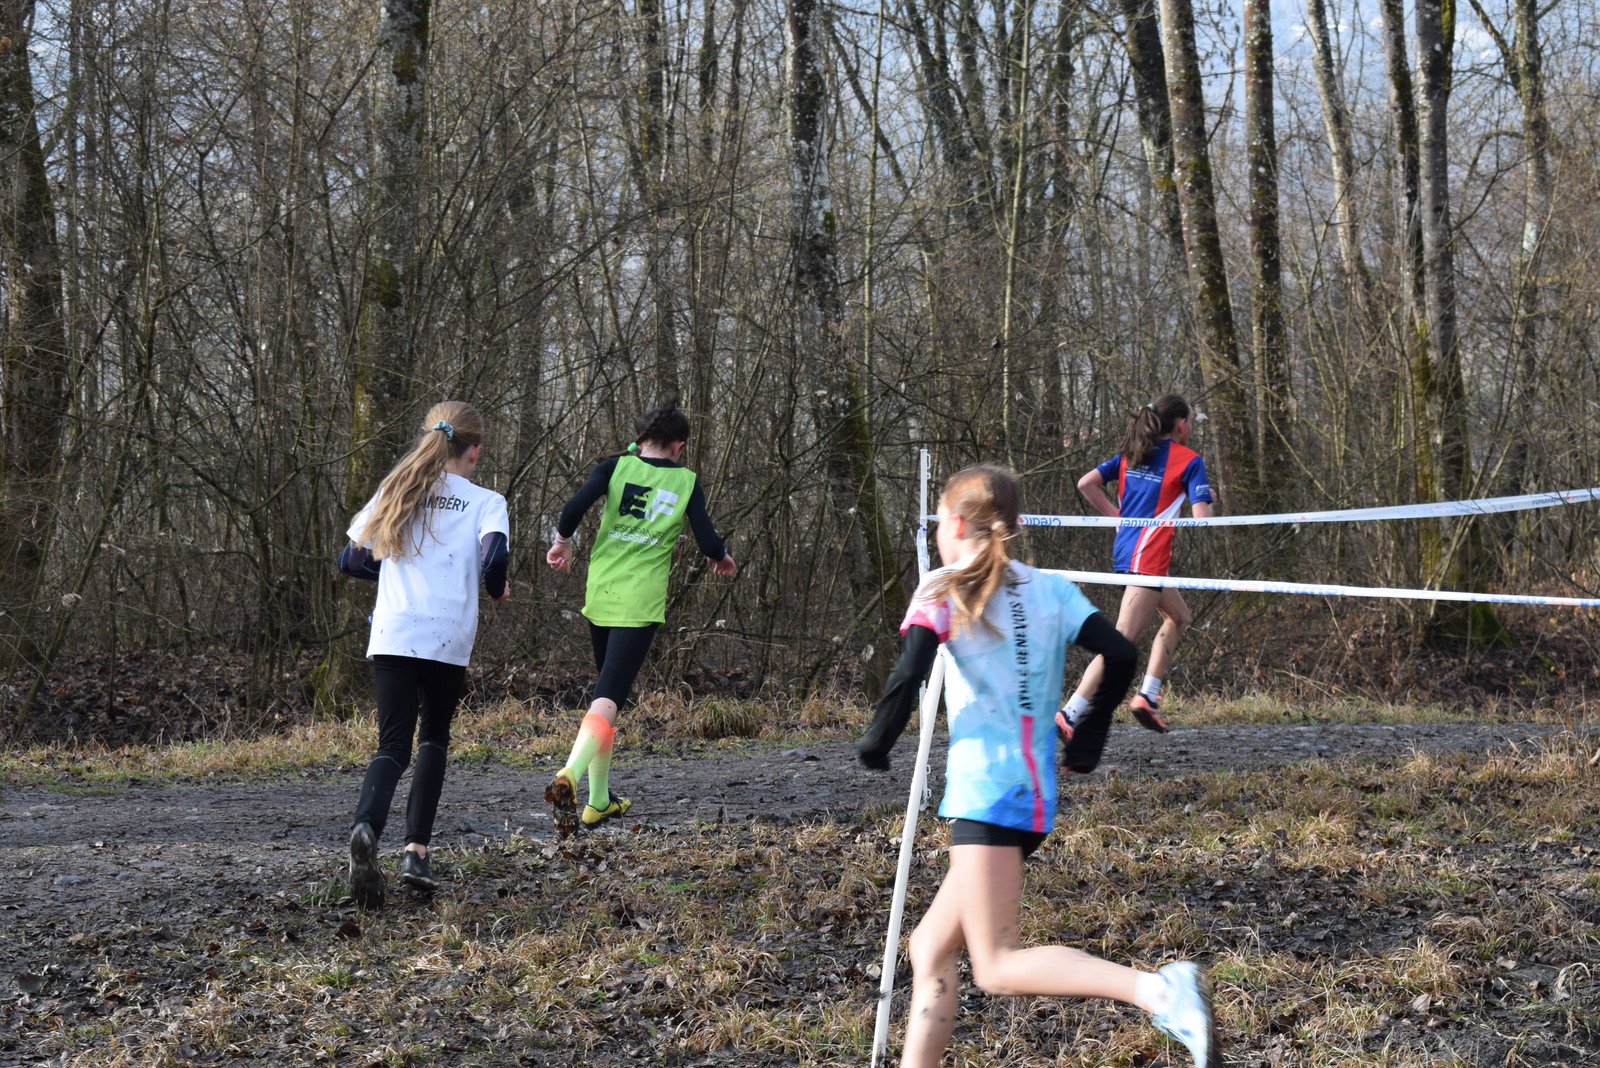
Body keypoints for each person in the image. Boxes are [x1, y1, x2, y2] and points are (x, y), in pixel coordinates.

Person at [855, 464, 1215, 1068]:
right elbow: (1120, 651)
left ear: (955, 523)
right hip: (1031, 797)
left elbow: (909, 670)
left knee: (996, 965)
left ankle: (1159, 991)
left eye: (940, 523)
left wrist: (877, 740)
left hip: (987, 797)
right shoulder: (1050, 588)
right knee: (930, 948)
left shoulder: (943, 586)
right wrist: (1088, 738)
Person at [337, 401, 510, 909]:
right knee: (433, 737)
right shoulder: (486, 500)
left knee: (392, 744)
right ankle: (416, 853)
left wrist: (394, 571)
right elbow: (495, 557)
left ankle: (366, 829)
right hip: (446, 634)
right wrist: (495, 589)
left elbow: (350, 560)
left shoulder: (398, 488)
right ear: (474, 452)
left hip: (394, 630)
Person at [544, 396, 736, 836]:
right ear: (679, 446)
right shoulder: (685, 481)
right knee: (610, 694)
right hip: (640, 601)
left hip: (602, 591)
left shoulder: (613, 468)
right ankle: (570, 773)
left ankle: (598, 801)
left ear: (642, 437)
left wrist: (562, 542)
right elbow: (707, 542)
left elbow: (572, 509)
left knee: (605, 696)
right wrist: (722, 556)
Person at [1058, 393, 1213, 741]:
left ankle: (1147, 696)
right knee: (1120, 640)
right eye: (1190, 421)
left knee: (1179, 617)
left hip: (1130, 551)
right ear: (1181, 424)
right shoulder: (1189, 460)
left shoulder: (1133, 453)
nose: (1191, 427)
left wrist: (1117, 517)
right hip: (1149, 558)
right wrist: (1208, 499)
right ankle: (1070, 713)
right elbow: (1203, 519)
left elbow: (1086, 483)